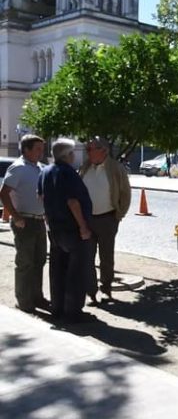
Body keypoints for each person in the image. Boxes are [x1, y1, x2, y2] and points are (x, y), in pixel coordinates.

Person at [39, 138, 94, 322]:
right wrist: (83, 227)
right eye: (73, 152)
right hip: (72, 230)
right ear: (68, 155)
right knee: (76, 272)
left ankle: (57, 308)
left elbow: (42, 197)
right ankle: (72, 312)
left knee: (57, 270)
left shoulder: (45, 171)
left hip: (55, 229)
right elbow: (73, 202)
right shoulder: (68, 173)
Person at [0, 134, 48, 313]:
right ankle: (23, 300)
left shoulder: (40, 168)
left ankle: (37, 297)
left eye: (42, 149)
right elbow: (3, 193)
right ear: (26, 149)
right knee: (25, 262)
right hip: (24, 221)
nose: (41, 153)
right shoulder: (18, 168)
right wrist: (16, 216)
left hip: (39, 220)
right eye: (37, 149)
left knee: (40, 260)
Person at [80, 137, 131, 299]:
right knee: (87, 256)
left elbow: (125, 193)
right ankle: (91, 291)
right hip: (87, 220)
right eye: (87, 148)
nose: (87, 151)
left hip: (107, 219)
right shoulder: (85, 167)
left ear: (103, 150)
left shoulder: (115, 168)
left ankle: (106, 287)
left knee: (106, 257)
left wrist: (119, 215)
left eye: (91, 148)